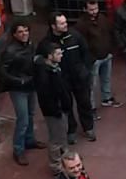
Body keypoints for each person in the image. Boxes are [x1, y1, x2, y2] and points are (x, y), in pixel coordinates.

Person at [37, 13, 95, 144]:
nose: (65, 25)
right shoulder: (46, 43)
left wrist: (85, 70)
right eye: (62, 23)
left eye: (65, 22)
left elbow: (86, 52)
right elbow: (40, 60)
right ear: (53, 26)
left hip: (79, 77)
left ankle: (89, 127)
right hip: (61, 81)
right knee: (66, 106)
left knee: (84, 102)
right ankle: (71, 130)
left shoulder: (75, 36)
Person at [0, 23, 44, 166]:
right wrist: (20, 81)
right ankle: (18, 150)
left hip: (30, 86)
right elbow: (2, 72)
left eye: (26, 30)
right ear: (14, 34)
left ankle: (29, 141)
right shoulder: (10, 51)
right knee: (23, 119)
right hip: (18, 89)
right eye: (20, 31)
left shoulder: (30, 45)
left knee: (31, 114)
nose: (24, 33)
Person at [77, 0, 121, 112]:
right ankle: (91, 107)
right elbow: (82, 44)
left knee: (106, 79)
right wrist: (90, 58)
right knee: (91, 84)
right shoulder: (81, 25)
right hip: (93, 59)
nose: (94, 11)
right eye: (91, 9)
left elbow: (110, 33)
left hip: (107, 55)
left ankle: (106, 98)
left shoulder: (102, 18)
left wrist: (111, 50)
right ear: (85, 9)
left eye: (96, 8)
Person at [35, 43, 72, 175]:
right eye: (58, 53)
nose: (61, 55)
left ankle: (66, 159)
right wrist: (56, 110)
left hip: (60, 108)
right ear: (50, 56)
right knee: (56, 138)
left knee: (62, 135)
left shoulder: (54, 69)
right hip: (54, 111)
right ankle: (56, 165)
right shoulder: (45, 74)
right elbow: (46, 95)